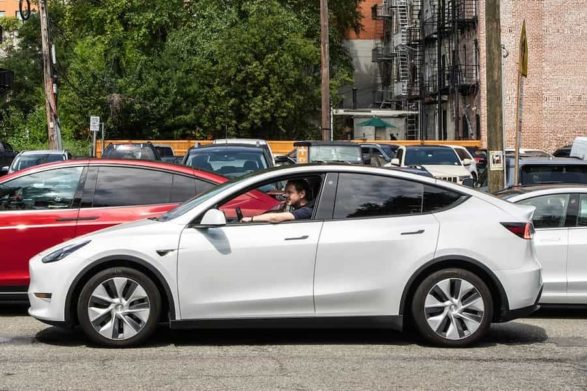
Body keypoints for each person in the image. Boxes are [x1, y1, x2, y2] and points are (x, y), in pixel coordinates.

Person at [242, 179, 313, 223]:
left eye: (290, 192)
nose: (285, 195)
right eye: (285, 192)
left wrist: (251, 219)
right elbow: (275, 212)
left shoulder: (306, 211)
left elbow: (274, 218)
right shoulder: (297, 208)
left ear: (302, 194)